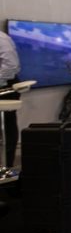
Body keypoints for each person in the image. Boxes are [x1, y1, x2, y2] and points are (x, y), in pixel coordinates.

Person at [0, 31, 21, 167]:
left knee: (6, 127)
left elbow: (11, 66)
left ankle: (6, 166)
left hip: (4, 87)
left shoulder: (1, 39)